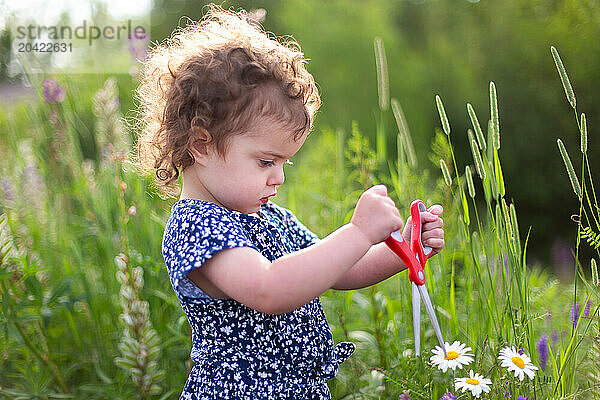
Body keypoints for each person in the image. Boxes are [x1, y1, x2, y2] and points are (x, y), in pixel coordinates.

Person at [132, 3, 444, 399]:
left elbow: (339, 271)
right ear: (200, 145)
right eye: (266, 161)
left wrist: (404, 248)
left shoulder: (270, 219)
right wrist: (358, 230)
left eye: (284, 162)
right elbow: (269, 291)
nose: (278, 177)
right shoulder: (195, 228)